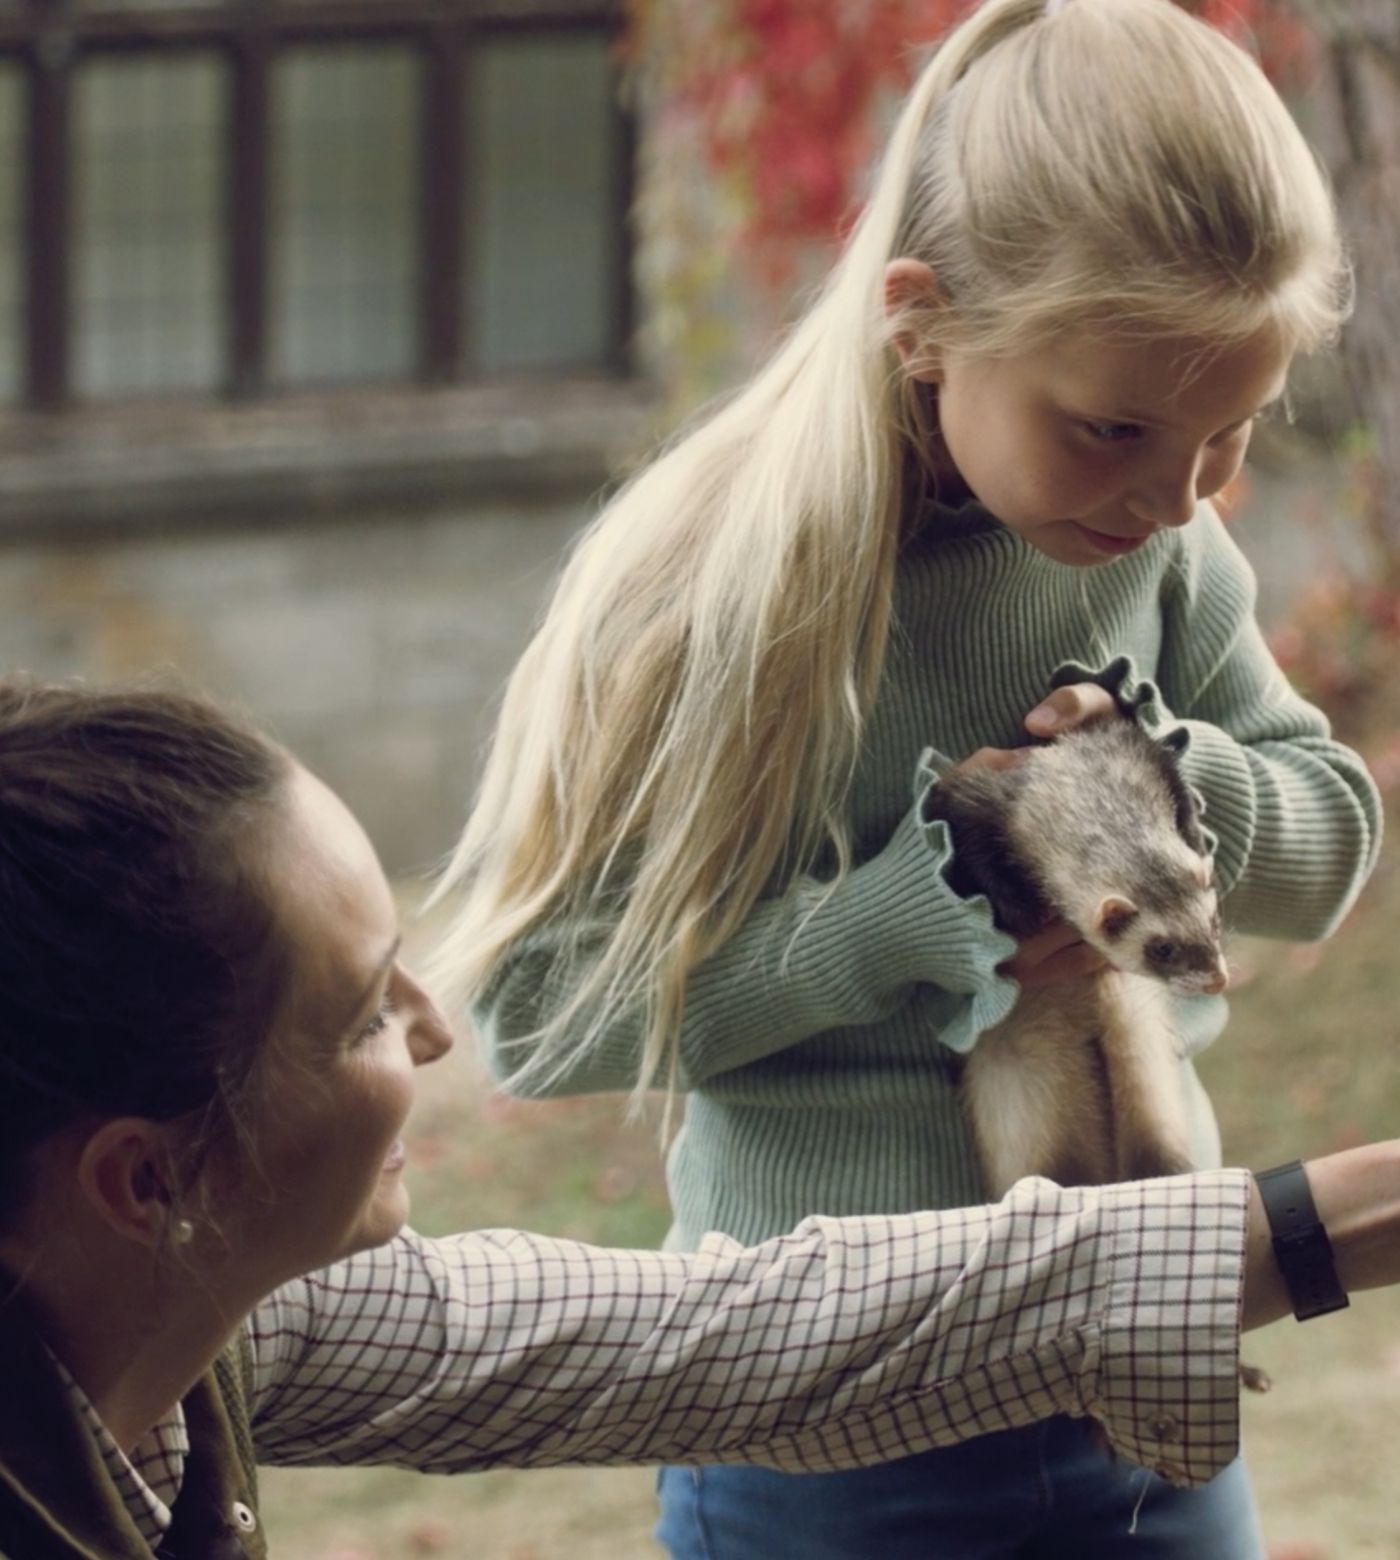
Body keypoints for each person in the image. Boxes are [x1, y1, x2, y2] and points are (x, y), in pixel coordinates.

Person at [431, 0, 1384, 1553]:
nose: (1175, 499)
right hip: (821, 1408)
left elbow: (1329, 845)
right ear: (925, 317)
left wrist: (1154, 775)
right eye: (1117, 430)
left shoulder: (1153, 531)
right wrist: (896, 923)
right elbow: (538, 1018)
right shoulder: (713, 588)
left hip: (1142, 1363)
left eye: (1232, 437)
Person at [1, 679, 1396, 1560]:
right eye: (367, 1012)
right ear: (145, 1181)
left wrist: (1337, 1218)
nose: (434, 1031)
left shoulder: (221, 1316)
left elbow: (722, 1339)